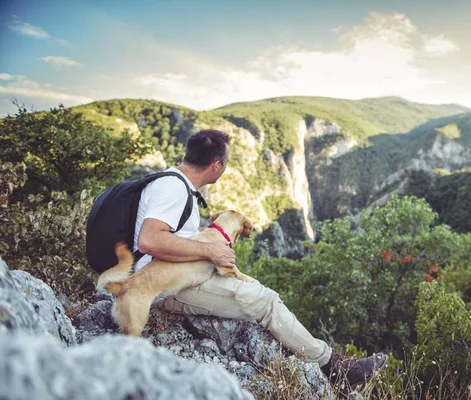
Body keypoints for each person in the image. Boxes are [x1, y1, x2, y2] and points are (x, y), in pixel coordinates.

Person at [133, 129, 388, 387]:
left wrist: (202, 236)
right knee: (265, 301)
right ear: (216, 166)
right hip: (162, 287)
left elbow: (171, 234)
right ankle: (335, 367)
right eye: (226, 163)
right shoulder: (173, 189)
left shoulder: (175, 182)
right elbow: (150, 240)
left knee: (255, 287)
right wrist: (210, 250)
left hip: (175, 274)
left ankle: (321, 357)